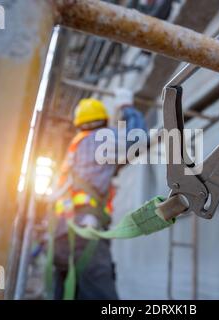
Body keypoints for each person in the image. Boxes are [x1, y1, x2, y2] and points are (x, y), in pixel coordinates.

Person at [51, 88, 146, 299]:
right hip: (86, 231)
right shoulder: (101, 139)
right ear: (103, 121)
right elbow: (138, 138)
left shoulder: (74, 148)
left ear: (79, 124)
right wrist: (126, 107)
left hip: (61, 235)